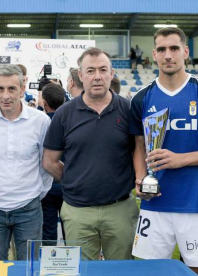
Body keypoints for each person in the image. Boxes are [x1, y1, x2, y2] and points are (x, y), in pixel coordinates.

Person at [129, 27, 198, 276]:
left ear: (185, 52)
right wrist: (141, 178)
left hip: (196, 203)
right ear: (154, 54)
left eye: (174, 48)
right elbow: (139, 145)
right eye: (162, 49)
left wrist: (181, 160)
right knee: (151, 272)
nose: (168, 55)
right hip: (155, 203)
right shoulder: (141, 98)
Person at [43, 47, 139, 260]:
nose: (97, 77)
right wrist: (73, 180)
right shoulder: (64, 114)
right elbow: (50, 161)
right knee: (82, 270)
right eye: (91, 71)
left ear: (111, 74)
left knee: (121, 271)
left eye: (103, 70)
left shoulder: (128, 110)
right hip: (78, 210)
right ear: (81, 76)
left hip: (120, 208)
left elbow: (138, 151)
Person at [0, 64, 52, 260]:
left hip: (29, 209)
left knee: (30, 268)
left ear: (22, 89)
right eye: (0, 89)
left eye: (12, 89)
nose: (5, 95)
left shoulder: (41, 121)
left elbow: (45, 165)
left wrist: (35, 193)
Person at [40, 83, 66, 242]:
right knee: (69, 230)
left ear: (44, 102)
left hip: (48, 183)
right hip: (64, 182)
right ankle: (69, 264)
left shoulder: (39, 122)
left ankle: (48, 265)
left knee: (48, 232)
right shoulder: (70, 119)